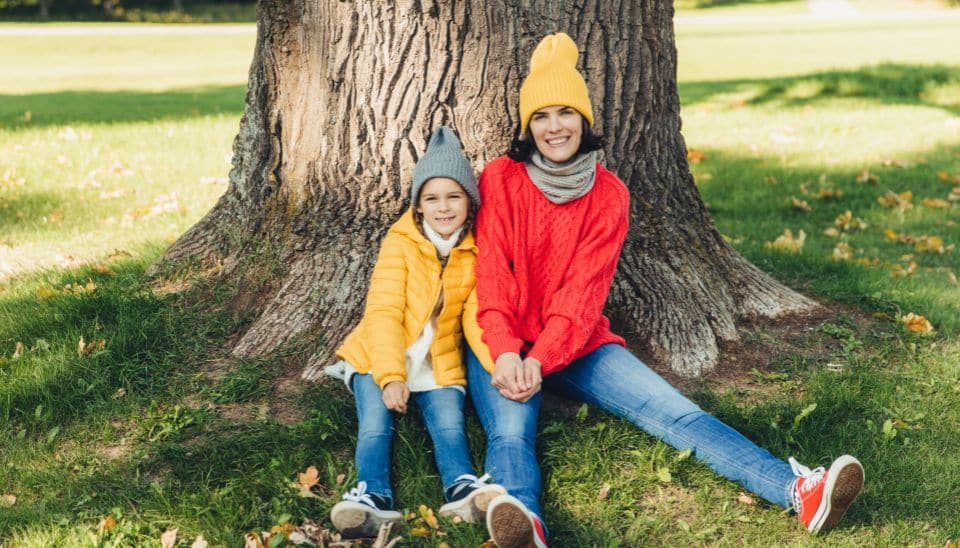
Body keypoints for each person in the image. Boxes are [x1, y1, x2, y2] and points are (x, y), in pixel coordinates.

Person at [462, 33, 864, 547]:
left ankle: (798, 491)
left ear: (584, 120)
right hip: (498, 341)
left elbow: (583, 296)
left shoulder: (608, 195)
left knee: (675, 413)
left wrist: (541, 359)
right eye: (540, 116)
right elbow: (491, 276)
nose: (553, 126)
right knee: (511, 433)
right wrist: (505, 353)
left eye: (565, 112)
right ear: (527, 126)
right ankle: (525, 527)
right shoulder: (500, 179)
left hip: (577, 343)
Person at [326, 127, 506, 538]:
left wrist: (497, 364)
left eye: (454, 196)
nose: (443, 208)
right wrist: (391, 377)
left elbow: (478, 317)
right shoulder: (401, 242)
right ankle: (371, 496)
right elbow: (383, 313)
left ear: (469, 202)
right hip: (379, 354)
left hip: (438, 360)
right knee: (375, 422)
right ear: (418, 206)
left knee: (448, 423)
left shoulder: (475, 248)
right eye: (431, 198)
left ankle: (462, 487)